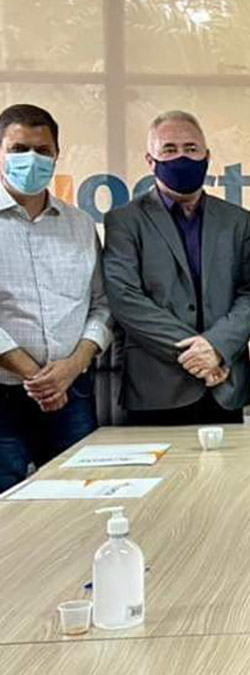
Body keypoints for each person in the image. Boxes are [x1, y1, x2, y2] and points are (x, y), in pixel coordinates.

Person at [103, 111, 250, 425]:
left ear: (207, 156)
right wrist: (199, 354)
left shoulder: (237, 221)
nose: (182, 157)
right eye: (169, 149)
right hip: (156, 388)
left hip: (224, 384)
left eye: (191, 149)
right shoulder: (124, 221)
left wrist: (217, 348)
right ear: (150, 161)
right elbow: (125, 299)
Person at [0, 104, 110, 490]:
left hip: (73, 394)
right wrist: (38, 378)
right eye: (18, 149)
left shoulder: (80, 224)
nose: (31, 159)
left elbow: (102, 305)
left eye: (42, 150)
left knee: (82, 498)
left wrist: (73, 366)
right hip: (4, 397)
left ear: (57, 155)